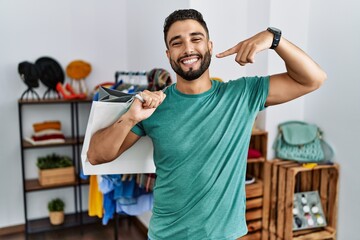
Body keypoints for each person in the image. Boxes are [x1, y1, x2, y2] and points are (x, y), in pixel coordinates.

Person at [87, 9, 326, 240]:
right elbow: (96, 156)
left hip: (224, 235)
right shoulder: (154, 106)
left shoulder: (242, 94)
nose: (188, 48)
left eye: (196, 39)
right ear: (168, 54)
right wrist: (130, 116)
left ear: (209, 46)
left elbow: (313, 79)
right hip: (167, 235)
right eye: (177, 42)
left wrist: (275, 39)